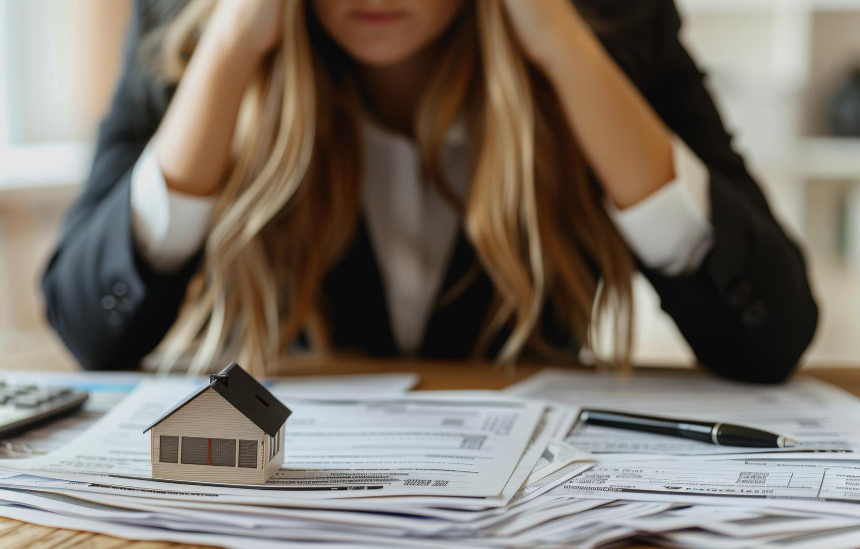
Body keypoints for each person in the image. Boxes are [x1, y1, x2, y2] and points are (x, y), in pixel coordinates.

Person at [43, 0, 817, 382]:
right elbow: (89, 325)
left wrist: (561, 44)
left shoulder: (615, 20)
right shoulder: (183, 18)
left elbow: (769, 336)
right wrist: (233, 46)